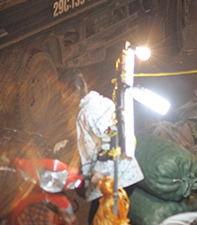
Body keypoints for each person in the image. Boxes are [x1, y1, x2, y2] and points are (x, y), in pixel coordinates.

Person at [60, 70, 143, 224]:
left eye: (63, 93)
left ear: (71, 92)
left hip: (113, 180)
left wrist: (99, 174)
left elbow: (109, 139)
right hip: (123, 174)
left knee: (99, 220)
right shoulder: (103, 101)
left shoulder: (87, 112)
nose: (63, 99)